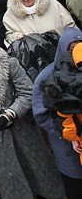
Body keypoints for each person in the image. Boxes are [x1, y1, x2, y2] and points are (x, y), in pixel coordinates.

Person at [0, 32, 65, 197]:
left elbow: (27, 93)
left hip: (21, 128)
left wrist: (10, 113)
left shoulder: (9, 64)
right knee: (12, 177)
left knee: (38, 169)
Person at [33, 27, 82, 197]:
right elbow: (41, 113)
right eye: (71, 47)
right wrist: (66, 134)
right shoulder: (47, 77)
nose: (75, 51)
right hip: (66, 144)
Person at [2, 0, 75, 44]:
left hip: (62, 47)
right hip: (34, 55)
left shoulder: (53, 4)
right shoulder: (10, 15)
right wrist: (16, 37)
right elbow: (9, 35)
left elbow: (70, 25)